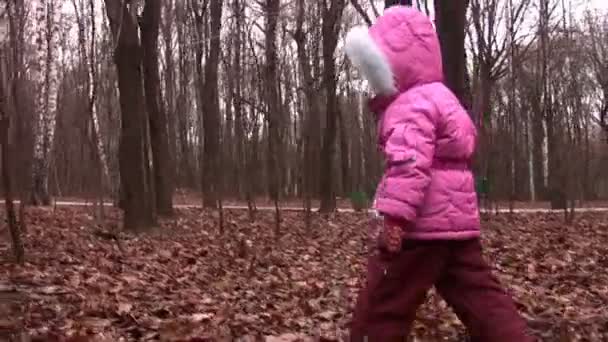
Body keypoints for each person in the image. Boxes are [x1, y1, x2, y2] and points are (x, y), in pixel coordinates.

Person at [343, 6, 535, 342]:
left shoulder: (408, 106)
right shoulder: (444, 99)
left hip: (419, 228)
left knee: (382, 304)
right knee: (482, 299)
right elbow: (460, 150)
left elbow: (409, 165)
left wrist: (395, 220)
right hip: (458, 225)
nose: (370, 82)